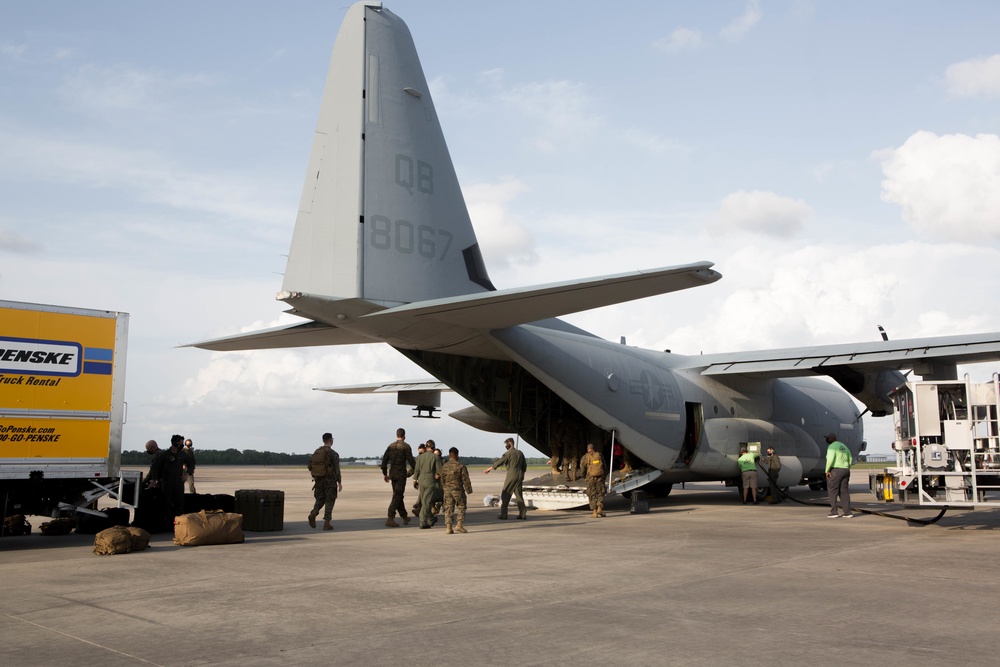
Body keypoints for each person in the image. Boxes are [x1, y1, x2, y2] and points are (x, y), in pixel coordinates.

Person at [484, 437, 527, 520]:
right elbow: (524, 466)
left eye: (506, 445)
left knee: (506, 494)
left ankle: (504, 514)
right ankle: (523, 514)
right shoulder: (520, 453)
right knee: (519, 495)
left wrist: (489, 469)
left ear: (508, 444)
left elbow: (499, 462)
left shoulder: (508, 453)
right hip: (519, 475)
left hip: (511, 474)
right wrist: (522, 475)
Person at [307, 433, 342, 531]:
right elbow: (337, 469)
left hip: (318, 480)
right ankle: (327, 523)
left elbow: (310, 466)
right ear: (331, 440)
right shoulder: (333, 454)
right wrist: (339, 482)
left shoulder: (317, 452)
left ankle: (314, 512)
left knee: (320, 499)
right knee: (330, 500)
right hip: (330, 481)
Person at [381, 428, 415, 527]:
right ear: (404, 435)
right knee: (397, 495)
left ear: (397, 435)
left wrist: (385, 473)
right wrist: (415, 471)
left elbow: (384, 461)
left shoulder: (390, 446)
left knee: (398, 495)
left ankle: (404, 516)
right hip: (401, 475)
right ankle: (390, 517)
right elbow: (411, 461)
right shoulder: (406, 446)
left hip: (393, 475)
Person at [148, 435, 185, 519]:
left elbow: (153, 470)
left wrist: (147, 481)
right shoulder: (164, 454)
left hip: (166, 483)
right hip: (169, 482)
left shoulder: (161, 455)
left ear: (152, 448)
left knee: (168, 503)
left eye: (149, 449)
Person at [440, 447, 473, 534]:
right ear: (457, 455)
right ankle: (459, 525)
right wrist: (469, 490)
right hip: (458, 490)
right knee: (461, 506)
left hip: (447, 490)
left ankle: (449, 528)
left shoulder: (444, 467)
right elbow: (465, 479)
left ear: (450, 455)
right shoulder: (461, 466)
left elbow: (442, 480)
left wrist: (445, 488)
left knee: (449, 508)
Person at [412, 440, 442, 528]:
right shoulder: (435, 457)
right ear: (433, 447)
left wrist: (415, 480)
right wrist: (438, 475)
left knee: (425, 501)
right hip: (430, 480)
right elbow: (439, 471)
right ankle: (422, 522)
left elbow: (416, 470)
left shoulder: (420, 457)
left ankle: (429, 520)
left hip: (421, 480)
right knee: (426, 502)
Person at [825, 433, 853, 518]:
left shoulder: (832, 447)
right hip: (845, 470)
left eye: (827, 438)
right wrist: (847, 467)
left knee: (832, 491)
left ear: (830, 438)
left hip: (836, 470)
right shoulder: (843, 446)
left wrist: (827, 471)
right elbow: (850, 458)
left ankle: (834, 512)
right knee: (844, 492)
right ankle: (848, 512)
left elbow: (830, 459)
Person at [580, 442, 607, 517]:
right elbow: (605, 467)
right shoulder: (599, 455)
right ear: (593, 448)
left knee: (591, 495)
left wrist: (584, 476)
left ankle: (594, 511)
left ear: (587, 449)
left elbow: (582, 468)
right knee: (601, 493)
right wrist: (603, 476)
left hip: (590, 478)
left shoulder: (585, 457)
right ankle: (599, 507)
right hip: (600, 478)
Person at [412, 443, 427, 517]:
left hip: (428, 479)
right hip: (421, 480)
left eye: (422, 452)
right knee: (423, 494)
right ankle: (418, 508)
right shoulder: (418, 458)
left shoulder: (429, 457)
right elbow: (415, 469)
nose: (421, 454)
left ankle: (418, 506)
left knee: (423, 495)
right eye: (419, 452)